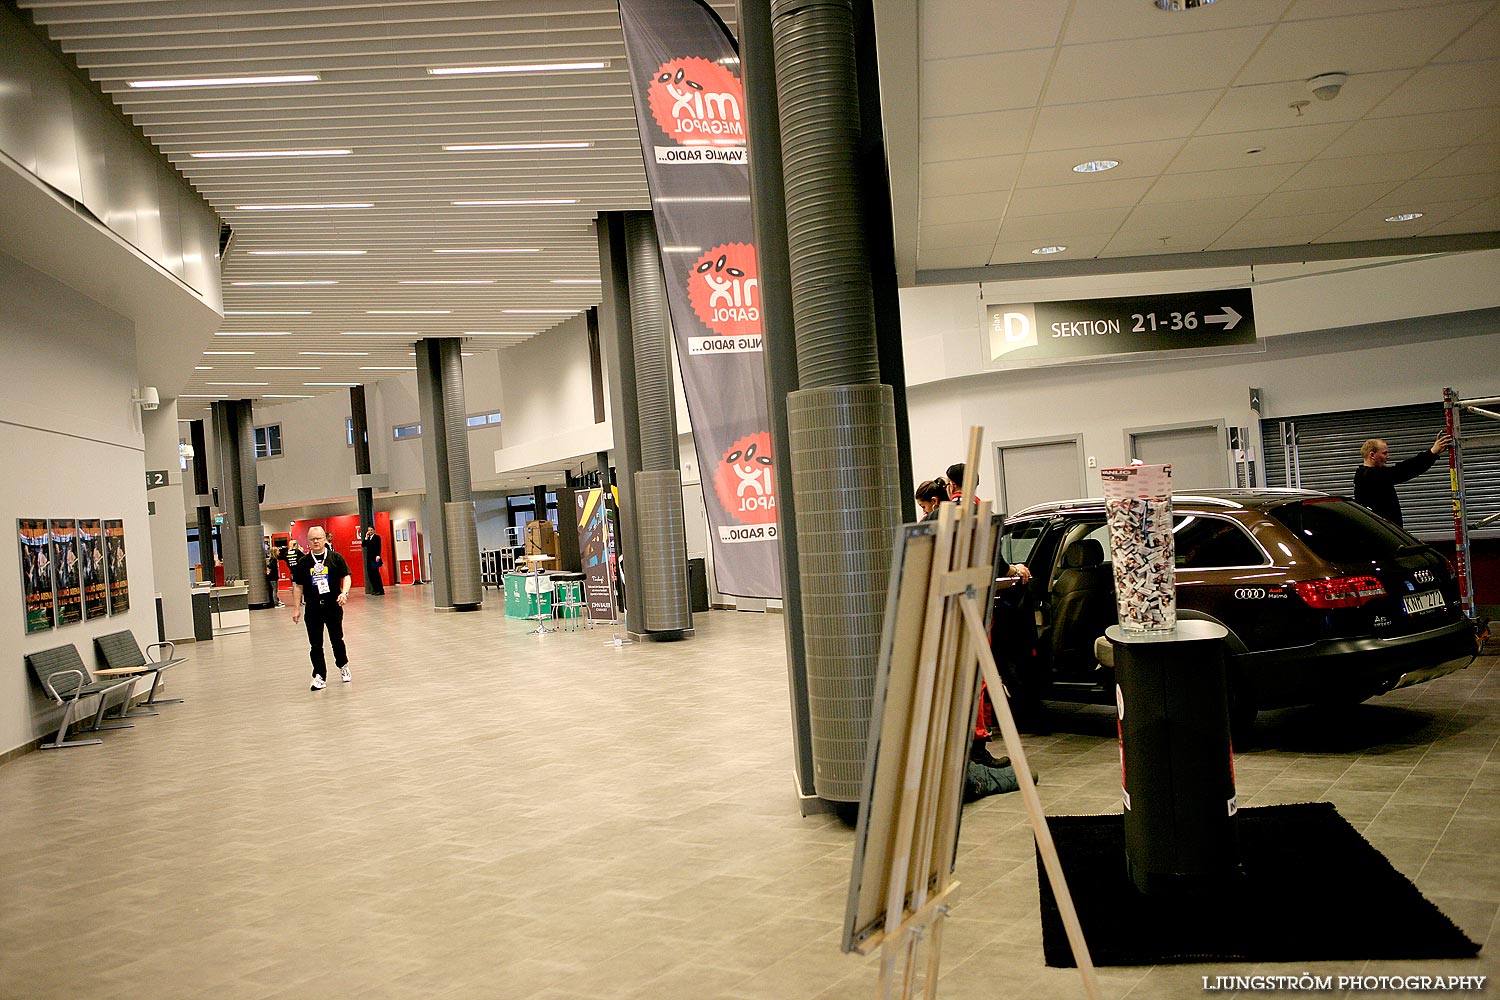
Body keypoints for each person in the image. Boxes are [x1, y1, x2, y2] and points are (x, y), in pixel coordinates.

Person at [290, 527, 352, 691]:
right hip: (313, 608)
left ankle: (343, 665)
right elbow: (298, 587)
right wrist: (296, 608)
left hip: (333, 605)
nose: (316, 542)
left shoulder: (335, 558)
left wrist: (344, 593)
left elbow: (346, 576)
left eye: (319, 538)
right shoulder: (303, 563)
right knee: (315, 644)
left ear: (325, 539)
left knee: (336, 639)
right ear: (308, 542)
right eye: (312, 539)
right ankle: (319, 675)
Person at [1354, 431, 1452, 528]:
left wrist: (1433, 454)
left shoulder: (1367, 474)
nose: (1388, 457)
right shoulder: (1370, 476)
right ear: (1372, 455)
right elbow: (1403, 470)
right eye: (1384, 453)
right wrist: (1432, 452)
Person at [363, 526, 385, 595]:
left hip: (375, 558)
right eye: (369, 530)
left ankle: (380, 590)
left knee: (376, 574)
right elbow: (363, 545)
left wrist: (378, 555)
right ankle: (375, 589)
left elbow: (379, 546)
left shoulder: (377, 537)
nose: (370, 531)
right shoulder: (368, 538)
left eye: (371, 530)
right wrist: (366, 537)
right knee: (370, 574)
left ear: (374, 530)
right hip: (369, 559)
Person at [264, 538, 284, 608]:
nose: (279, 552)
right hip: (273, 577)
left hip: (273, 577)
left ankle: (276, 601)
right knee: (274, 590)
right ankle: (275, 602)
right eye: (278, 551)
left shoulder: (273, 559)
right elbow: (270, 566)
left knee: (274, 590)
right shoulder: (274, 560)